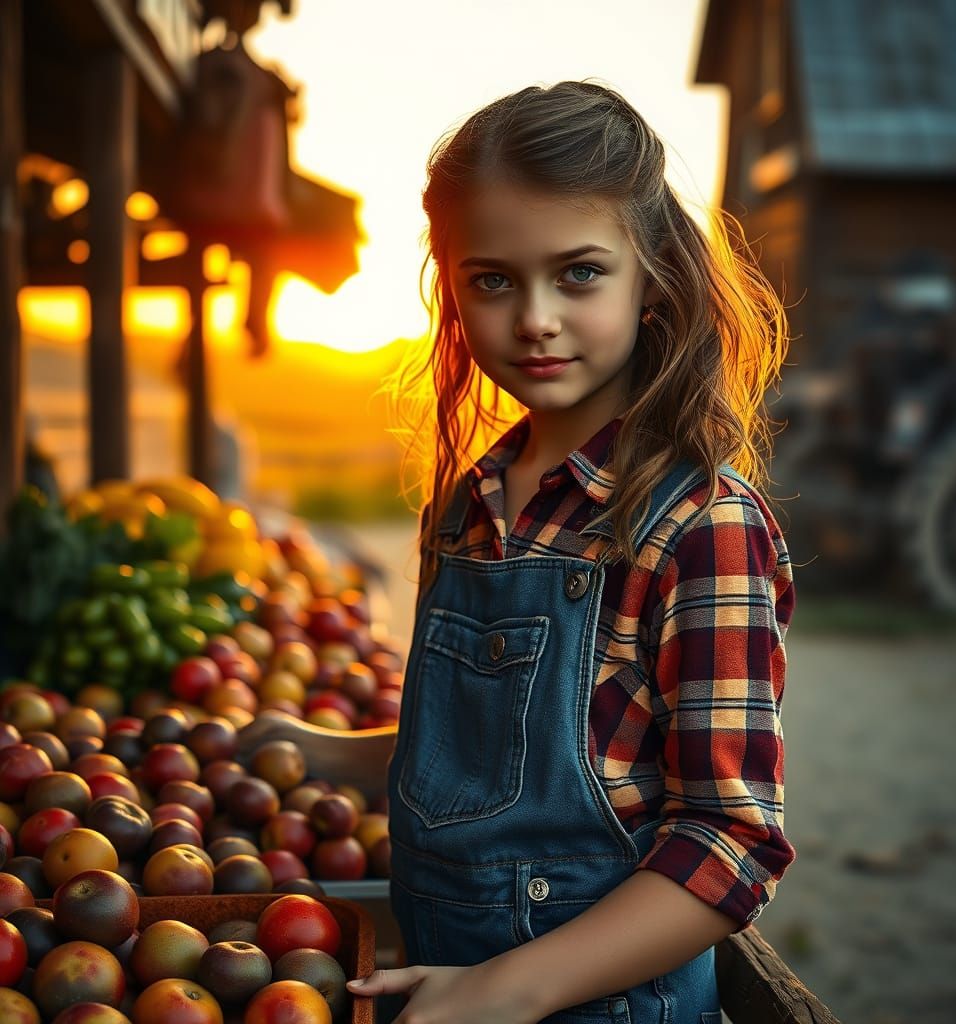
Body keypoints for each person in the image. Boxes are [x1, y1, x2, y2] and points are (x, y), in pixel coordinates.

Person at [347, 80, 796, 1024]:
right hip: (449, 988)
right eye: (493, 279)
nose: (535, 317)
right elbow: (487, 756)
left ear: (654, 278)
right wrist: (333, 758)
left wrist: (504, 993)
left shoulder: (698, 523)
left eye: (579, 273)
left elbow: (730, 841)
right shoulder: (469, 503)